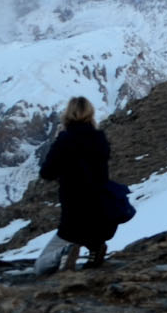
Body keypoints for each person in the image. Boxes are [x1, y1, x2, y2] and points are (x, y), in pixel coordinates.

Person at [38, 96, 115, 270]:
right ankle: (95, 248)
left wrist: (58, 146)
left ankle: (66, 252)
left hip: (73, 214)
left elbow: (47, 172)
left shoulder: (65, 140)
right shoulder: (100, 139)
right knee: (89, 232)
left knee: (41, 267)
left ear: (68, 115)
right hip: (99, 212)